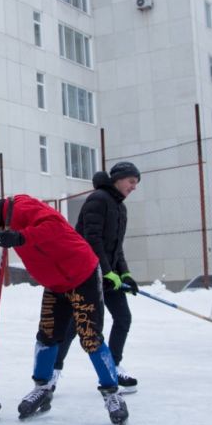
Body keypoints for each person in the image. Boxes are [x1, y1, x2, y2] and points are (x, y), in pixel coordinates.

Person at [0, 188, 129, 425]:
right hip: (56, 284)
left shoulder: (22, 208)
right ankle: (42, 389)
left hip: (81, 274)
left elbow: (55, 225)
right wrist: (15, 237)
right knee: (47, 335)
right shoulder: (5, 224)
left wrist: (21, 237)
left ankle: (112, 394)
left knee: (89, 336)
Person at [52, 162, 141, 394]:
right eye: (131, 181)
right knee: (74, 326)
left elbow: (116, 248)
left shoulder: (121, 208)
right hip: (87, 273)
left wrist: (125, 274)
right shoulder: (98, 199)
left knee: (123, 318)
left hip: (108, 275)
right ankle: (52, 373)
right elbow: (91, 239)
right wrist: (105, 271)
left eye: (136, 183)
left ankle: (113, 367)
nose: (134, 187)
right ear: (119, 179)